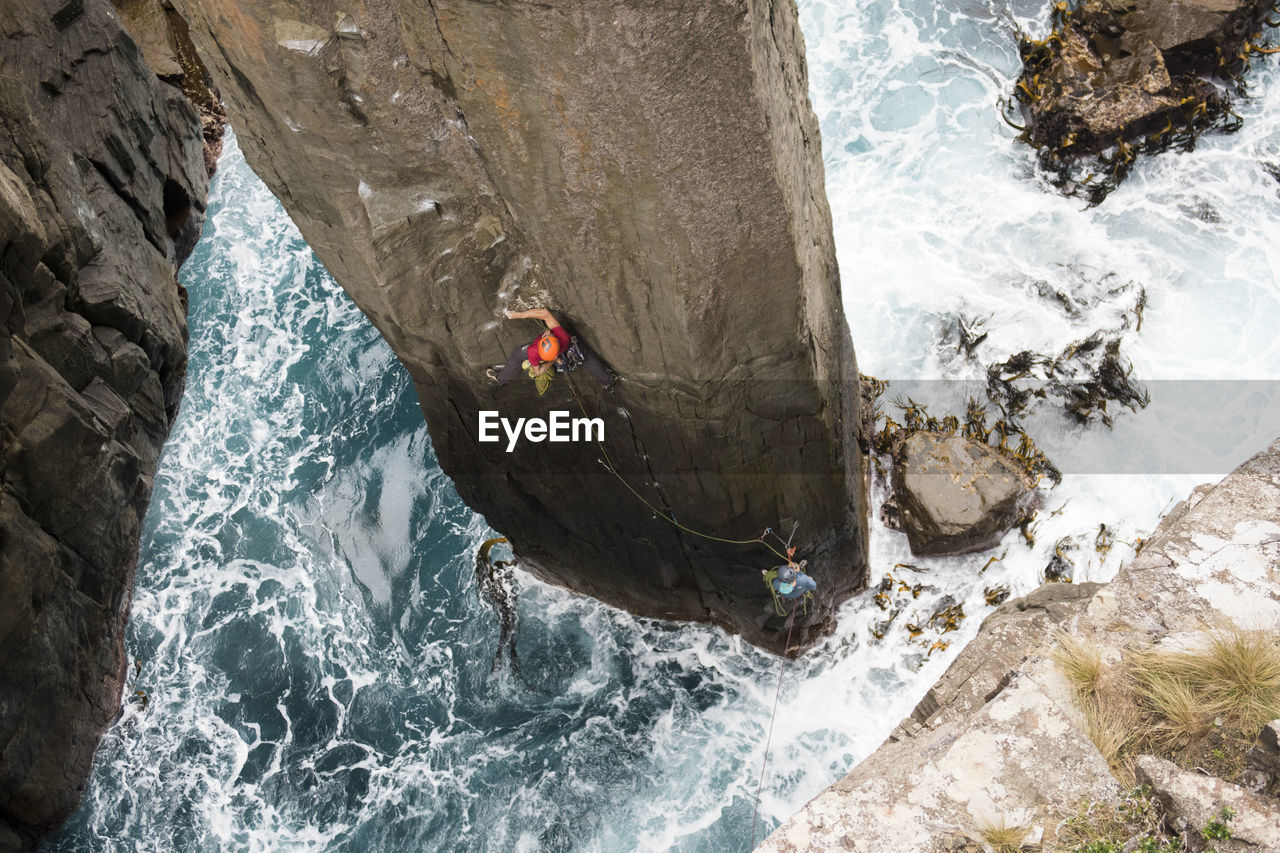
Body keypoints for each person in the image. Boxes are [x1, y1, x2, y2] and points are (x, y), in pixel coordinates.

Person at [488, 307, 615, 393]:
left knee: (516, 355)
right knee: (586, 355)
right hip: (565, 349)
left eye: (548, 335)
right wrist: (555, 360)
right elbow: (545, 314)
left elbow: (538, 371)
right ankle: (608, 381)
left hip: (556, 355)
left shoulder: (533, 351)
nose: (548, 332)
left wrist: (519, 315)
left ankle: (502, 380)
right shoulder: (563, 337)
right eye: (549, 335)